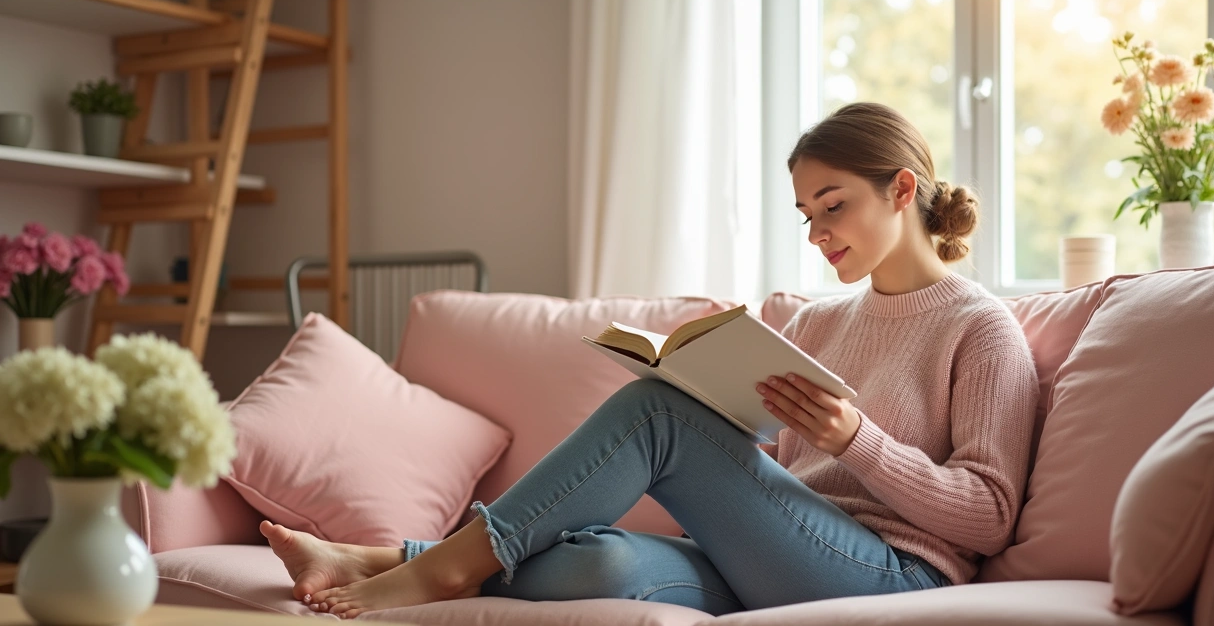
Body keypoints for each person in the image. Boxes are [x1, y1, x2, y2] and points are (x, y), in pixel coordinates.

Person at [260, 101, 1039, 620]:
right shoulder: (824, 320)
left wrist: (855, 440)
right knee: (593, 567)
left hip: (893, 579)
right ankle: (378, 559)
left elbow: (992, 517)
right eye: (806, 214)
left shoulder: (982, 329)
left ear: (903, 189)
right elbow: (787, 476)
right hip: (782, 560)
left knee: (658, 416)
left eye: (833, 206)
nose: (817, 233)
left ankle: (434, 572)